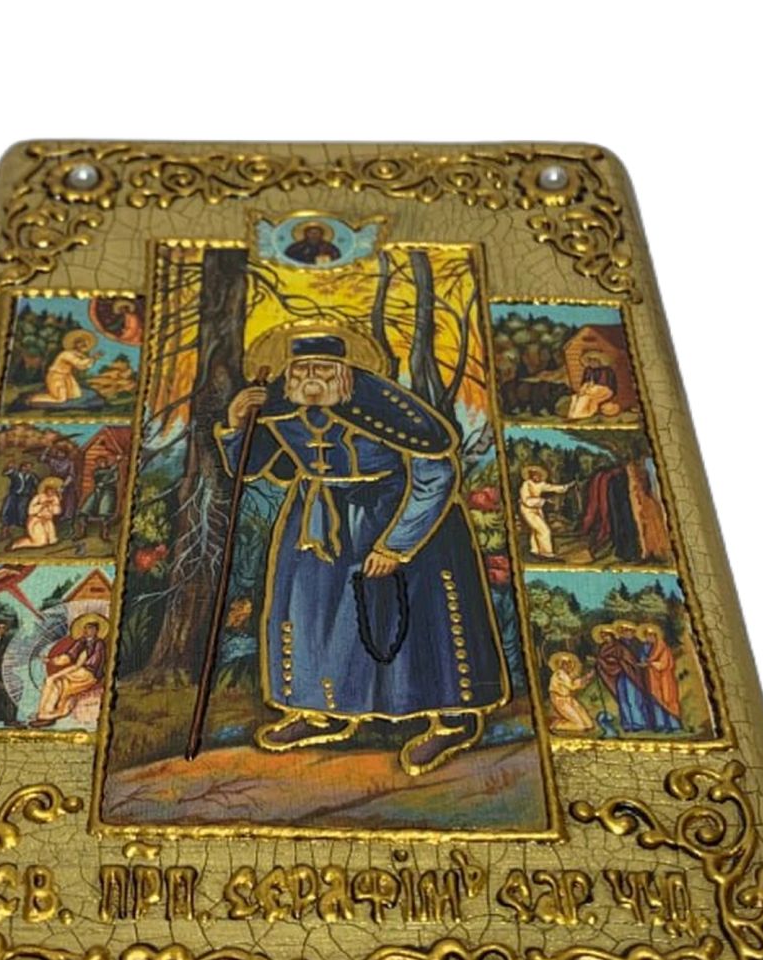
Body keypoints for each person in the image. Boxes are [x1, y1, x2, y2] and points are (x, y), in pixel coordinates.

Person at [215, 323, 508, 776]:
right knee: (311, 613)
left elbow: (436, 474)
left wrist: (396, 544)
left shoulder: (385, 407)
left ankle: (452, 719)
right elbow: (249, 468)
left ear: (345, 371)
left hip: (394, 515)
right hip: (317, 521)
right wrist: (237, 424)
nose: (311, 379)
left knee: (410, 620)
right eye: (302, 369)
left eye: (323, 369)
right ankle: (321, 712)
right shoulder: (276, 404)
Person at [31, 615, 108, 726]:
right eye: (86, 628)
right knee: (55, 683)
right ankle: (46, 713)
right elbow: (68, 657)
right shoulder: (81, 642)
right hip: (78, 671)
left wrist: (57, 675)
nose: (88, 631)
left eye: (91, 628)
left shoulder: (99, 644)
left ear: (96, 631)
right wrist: (51, 661)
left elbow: (89, 664)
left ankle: (55, 712)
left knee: (59, 682)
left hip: (89, 674)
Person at [592, 621, 652, 733]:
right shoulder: (603, 648)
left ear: (611, 635)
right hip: (619, 676)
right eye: (602, 636)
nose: (604, 638)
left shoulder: (619, 646)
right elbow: (605, 661)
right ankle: (627, 723)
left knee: (632, 698)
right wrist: (599, 663)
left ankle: (639, 723)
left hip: (629, 674)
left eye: (606, 635)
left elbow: (628, 660)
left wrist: (607, 661)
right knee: (622, 699)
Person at [25, 330, 100, 406]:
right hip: (56, 377)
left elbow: (82, 367)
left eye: (84, 344)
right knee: (60, 399)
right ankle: (32, 398)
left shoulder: (77, 354)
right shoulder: (66, 354)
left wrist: (92, 359)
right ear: (75, 344)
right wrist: (93, 358)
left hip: (66, 378)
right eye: (80, 343)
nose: (83, 345)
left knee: (76, 395)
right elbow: (79, 363)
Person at [519, 464, 573, 558]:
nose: (536, 476)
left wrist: (565, 487)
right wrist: (543, 501)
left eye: (538, 474)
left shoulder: (541, 484)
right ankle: (546, 553)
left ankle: (535, 550)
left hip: (537, 509)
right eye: (534, 474)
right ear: (531, 475)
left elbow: (551, 487)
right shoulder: (526, 484)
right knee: (544, 530)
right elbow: (527, 501)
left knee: (536, 530)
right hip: (527, 510)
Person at [637, 621, 683, 731]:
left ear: (656, 636)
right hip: (652, 679)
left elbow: (664, 664)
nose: (649, 638)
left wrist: (650, 663)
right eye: (647, 636)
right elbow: (643, 659)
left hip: (664, 679)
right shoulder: (646, 648)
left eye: (651, 635)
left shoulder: (663, 648)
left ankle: (674, 725)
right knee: (655, 701)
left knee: (668, 700)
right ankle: (661, 724)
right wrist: (644, 662)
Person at [546, 651, 595, 732]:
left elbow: (574, 684)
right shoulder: (559, 674)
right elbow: (572, 686)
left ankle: (564, 721)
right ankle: (556, 724)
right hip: (560, 701)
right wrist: (586, 677)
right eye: (565, 663)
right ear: (561, 664)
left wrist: (586, 678)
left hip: (569, 699)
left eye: (569, 663)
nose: (567, 665)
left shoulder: (566, 675)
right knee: (580, 726)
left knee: (589, 724)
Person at [11, 476, 63, 548]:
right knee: (41, 542)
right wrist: (42, 505)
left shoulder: (55, 498)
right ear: (46, 489)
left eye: (53, 490)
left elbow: (57, 511)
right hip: (36, 521)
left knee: (51, 540)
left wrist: (51, 506)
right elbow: (30, 511)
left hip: (47, 522)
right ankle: (16, 544)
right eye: (50, 490)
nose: (51, 492)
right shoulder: (38, 497)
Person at [76, 455, 120, 541]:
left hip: (108, 492)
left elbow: (115, 479)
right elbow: (96, 477)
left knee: (105, 514)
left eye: (103, 461)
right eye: (99, 462)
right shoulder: (96, 471)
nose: (101, 463)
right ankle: (82, 532)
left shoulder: (113, 469)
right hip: (97, 492)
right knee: (83, 512)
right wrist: (101, 483)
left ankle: (105, 534)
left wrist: (106, 483)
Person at [0, 461, 37, 540]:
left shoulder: (32, 476)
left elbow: (37, 485)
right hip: (13, 495)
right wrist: (9, 467)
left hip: (24, 497)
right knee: (7, 511)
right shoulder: (16, 474)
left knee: (22, 512)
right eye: (26, 467)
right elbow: (5, 473)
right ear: (22, 467)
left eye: (29, 467)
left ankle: (27, 531)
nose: (27, 469)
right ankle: (5, 531)